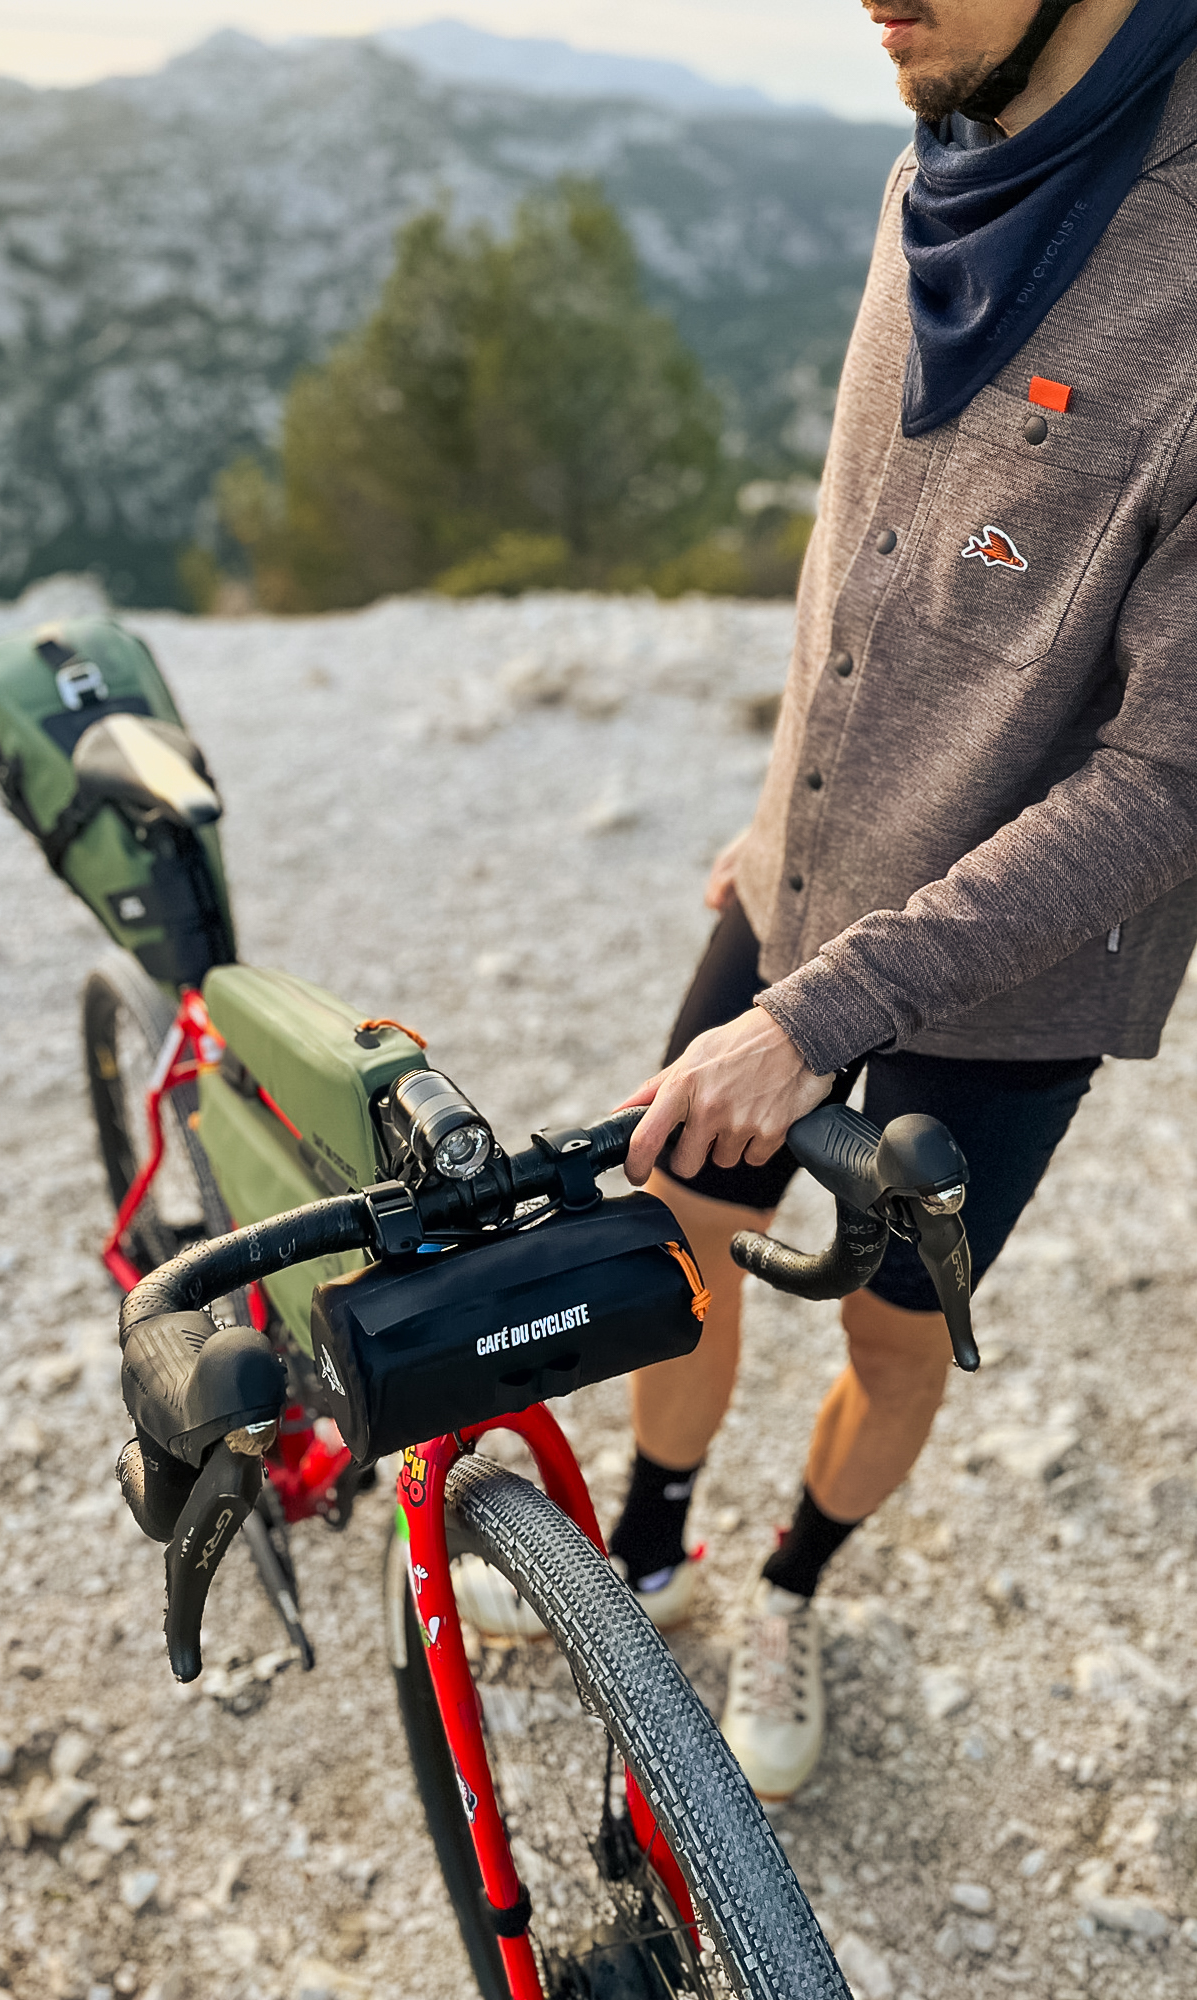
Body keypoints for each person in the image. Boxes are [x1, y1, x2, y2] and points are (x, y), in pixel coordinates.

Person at [455, 0, 1197, 1803]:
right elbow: (862, 543)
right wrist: (780, 795)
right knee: (675, 1229)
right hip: (804, 882)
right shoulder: (949, 140)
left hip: (1011, 973)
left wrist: (816, 1021)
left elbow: (1170, 785)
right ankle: (654, 1540)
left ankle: (791, 1589)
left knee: (887, 1329)